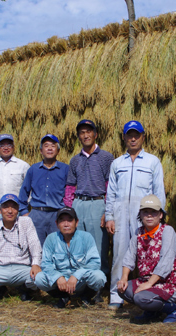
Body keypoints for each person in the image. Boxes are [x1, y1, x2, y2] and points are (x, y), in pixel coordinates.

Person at [105, 120, 166, 310]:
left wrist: (158, 217)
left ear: (143, 136)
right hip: (121, 215)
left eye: (136, 135)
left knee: (148, 255)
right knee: (120, 255)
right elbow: (111, 193)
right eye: (129, 135)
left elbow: (159, 191)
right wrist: (109, 216)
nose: (133, 138)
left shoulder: (153, 161)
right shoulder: (117, 163)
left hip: (145, 216)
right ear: (124, 137)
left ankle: (148, 295)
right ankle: (117, 295)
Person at [64, 120, 114, 301]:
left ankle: (97, 287)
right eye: (81, 133)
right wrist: (69, 211)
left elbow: (111, 186)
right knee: (80, 247)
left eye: (88, 132)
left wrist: (107, 212)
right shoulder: (75, 160)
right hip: (79, 204)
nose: (85, 135)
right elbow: (70, 186)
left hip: (97, 203)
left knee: (98, 248)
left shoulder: (106, 157)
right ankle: (81, 286)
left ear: (95, 134)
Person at [117, 195, 176, 323]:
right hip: (147, 280)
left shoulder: (167, 231)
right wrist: (124, 278)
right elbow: (129, 256)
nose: (149, 216)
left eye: (153, 212)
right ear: (141, 215)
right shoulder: (139, 232)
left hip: (168, 283)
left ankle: (173, 308)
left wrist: (149, 284)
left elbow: (166, 262)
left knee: (140, 298)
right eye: (145, 212)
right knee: (122, 290)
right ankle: (152, 311)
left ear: (160, 215)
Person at [35, 206, 107, 308]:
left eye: (69, 221)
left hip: (80, 281)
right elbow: (46, 264)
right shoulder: (51, 239)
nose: (66, 224)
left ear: (76, 223)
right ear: (57, 224)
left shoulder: (86, 237)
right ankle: (63, 297)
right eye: (62, 221)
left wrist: (76, 276)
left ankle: (85, 296)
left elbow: (94, 263)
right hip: (61, 282)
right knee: (39, 278)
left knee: (99, 277)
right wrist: (58, 277)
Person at [19, 134, 69, 246]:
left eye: (53, 145)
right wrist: (24, 213)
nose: (50, 148)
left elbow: (70, 193)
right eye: (46, 146)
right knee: (36, 248)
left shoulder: (65, 169)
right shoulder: (33, 169)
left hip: (57, 214)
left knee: (58, 247)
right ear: (41, 151)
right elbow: (23, 193)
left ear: (58, 151)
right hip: (37, 215)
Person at [0, 134, 30, 224]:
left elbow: (29, 189)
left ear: (13, 147)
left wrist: (23, 206)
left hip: (17, 209)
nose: (6, 148)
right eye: (2, 145)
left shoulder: (23, 166)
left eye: (9, 145)